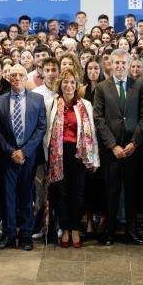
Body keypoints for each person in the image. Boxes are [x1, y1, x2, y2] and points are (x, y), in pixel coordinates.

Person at [91, 48, 143, 245]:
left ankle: (131, 231)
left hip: (133, 148)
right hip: (112, 150)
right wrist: (113, 145)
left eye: (124, 63)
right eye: (116, 63)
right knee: (111, 191)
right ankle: (109, 232)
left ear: (129, 64)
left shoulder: (140, 85)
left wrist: (134, 142)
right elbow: (98, 119)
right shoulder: (101, 87)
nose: (120, 66)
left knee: (132, 191)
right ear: (111, 64)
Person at [0, 65, 47, 250]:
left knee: (26, 196)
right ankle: (8, 235)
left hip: (29, 157)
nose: (16, 78)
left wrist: (24, 151)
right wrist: (10, 151)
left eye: (20, 75)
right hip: (7, 157)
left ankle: (25, 235)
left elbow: (41, 128)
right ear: (8, 78)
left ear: (26, 78)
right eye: (13, 75)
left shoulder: (37, 99)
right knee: (7, 197)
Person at [46, 68, 98, 248]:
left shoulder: (85, 104)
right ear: (60, 84)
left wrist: (93, 158)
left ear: (76, 86)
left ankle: (75, 227)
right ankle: (65, 228)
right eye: (65, 82)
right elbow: (47, 132)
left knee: (78, 193)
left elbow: (92, 132)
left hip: (78, 155)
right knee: (61, 193)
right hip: (58, 155)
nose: (69, 86)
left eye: (72, 83)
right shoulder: (52, 103)